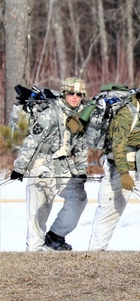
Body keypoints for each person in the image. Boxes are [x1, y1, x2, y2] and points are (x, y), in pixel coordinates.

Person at [89, 77, 140, 251]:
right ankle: (96, 251)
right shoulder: (126, 113)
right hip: (118, 165)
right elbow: (117, 145)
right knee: (110, 210)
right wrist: (124, 173)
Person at [10, 77, 90, 251]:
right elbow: (32, 141)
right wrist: (19, 168)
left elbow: (82, 146)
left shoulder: (83, 114)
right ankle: (34, 249)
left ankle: (55, 237)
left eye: (79, 94)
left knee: (79, 198)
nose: (75, 97)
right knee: (39, 209)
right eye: (71, 93)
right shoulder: (51, 113)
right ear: (64, 93)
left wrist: (82, 170)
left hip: (66, 165)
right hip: (43, 163)